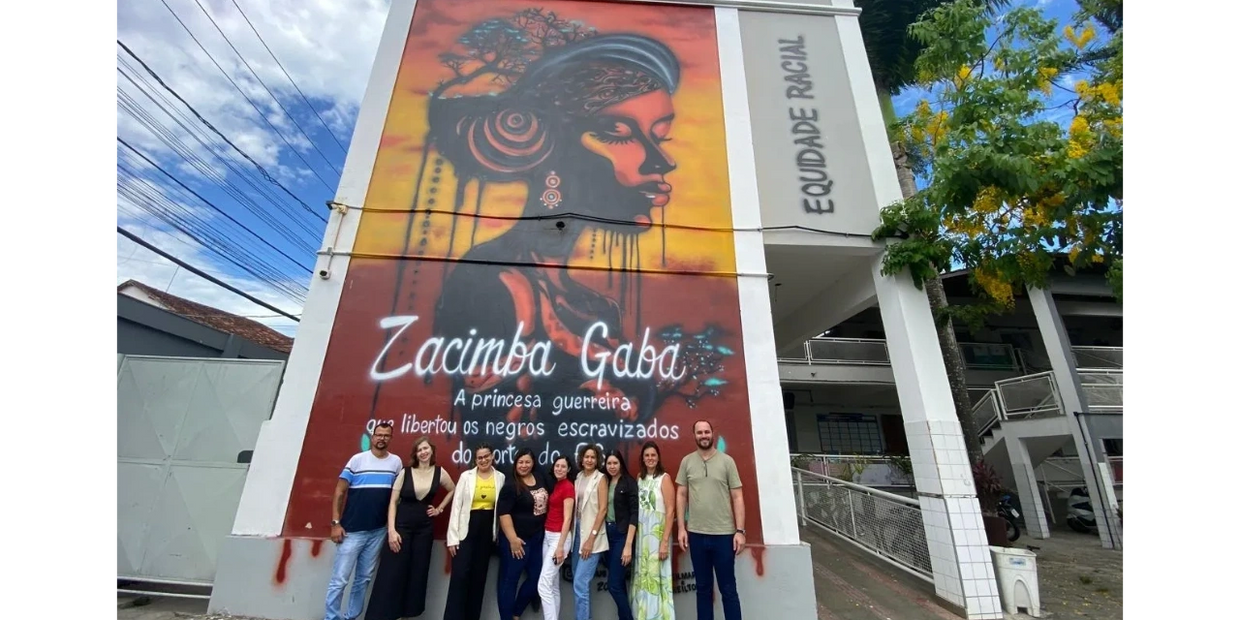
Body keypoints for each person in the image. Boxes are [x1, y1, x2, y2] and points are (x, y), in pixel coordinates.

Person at [366, 437, 456, 620]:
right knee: (392, 573)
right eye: (419, 450)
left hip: (424, 530)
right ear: (415, 454)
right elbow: (393, 502)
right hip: (401, 528)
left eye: (426, 448)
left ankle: (407, 615)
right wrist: (391, 531)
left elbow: (453, 489)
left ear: (431, 450)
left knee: (417, 572)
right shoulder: (405, 473)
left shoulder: (439, 472)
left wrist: (439, 509)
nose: (423, 452)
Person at [325, 422, 403, 620]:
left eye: (386, 435)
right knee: (340, 580)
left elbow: (396, 497)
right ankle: (331, 617)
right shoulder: (357, 460)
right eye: (379, 434)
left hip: (378, 531)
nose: (382, 438)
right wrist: (335, 523)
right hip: (351, 531)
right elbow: (339, 491)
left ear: (391, 438)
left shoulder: (395, 463)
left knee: (363, 579)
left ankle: (350, 617)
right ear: (372, 436)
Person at [676, 421, 745, 620]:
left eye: (706, 432)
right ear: (694, 435)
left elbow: (737, 497)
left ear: (712, 433)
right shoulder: (687, 462)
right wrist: (681, 528)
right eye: (699, 432)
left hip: (724, 535)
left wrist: (740, 531)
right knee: (703, 589)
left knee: (728, 589)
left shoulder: (727, 462)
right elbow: (681, 494)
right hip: (697, 535)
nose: (704, 435)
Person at [444, 444, 506, 620]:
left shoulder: (500, 477)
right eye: (480, 457)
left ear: (492, 457)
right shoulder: (466, 476)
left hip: (487, 531)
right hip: (466, 529)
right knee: (460, 576)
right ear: (475, 460)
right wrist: (452, 538)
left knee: (479, 577)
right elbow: (456, 507)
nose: (483, 460)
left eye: (486, 456)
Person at [497, 448, 551, 620]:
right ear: (515, 463)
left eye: (527, 462)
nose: (524, 465)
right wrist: (512, 539)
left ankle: (516, 613)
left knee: (537, 578)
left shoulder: (540, 478)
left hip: (536, 539)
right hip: (517, 541)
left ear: (533, 463)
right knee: (509, 581)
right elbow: (504, 513)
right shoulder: (511, 485)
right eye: (520, 462)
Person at [632, 441, 676, 620]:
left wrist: (664, 541)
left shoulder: (664, 478)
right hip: (642, 533)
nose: (650, 458)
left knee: (657, 576)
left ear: (658, 458)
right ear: (643, 458)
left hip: (657, 533)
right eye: (647, 455)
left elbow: (670, 510)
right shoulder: (639, 478)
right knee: (644, 575)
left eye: (653, 455)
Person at [572, 444, 609, 620]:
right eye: (586, 457)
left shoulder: (600, 479)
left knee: (580, 583)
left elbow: (603, 510)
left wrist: (591, 538)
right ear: (581, 459)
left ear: (597, 460)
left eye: (592, 457)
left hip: (592, 535)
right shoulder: (579, 477)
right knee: (577, 582)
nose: (589, 460)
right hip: (577, 533)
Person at [537, 455, 576, 620]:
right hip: (548, 536)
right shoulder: (557, 485)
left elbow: (568, 518)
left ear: (568, 469)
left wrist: (560, 547)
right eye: (557, 466)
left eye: (563, 466)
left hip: (559, 538)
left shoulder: (568, 487)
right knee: (552, 586)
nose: (559, 469)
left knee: (543, 585)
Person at [602, 450, 639, 620]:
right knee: (619, 583)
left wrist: (628, 545)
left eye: (615, 463)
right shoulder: (604, 481)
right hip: (606, 536)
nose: (612, 467)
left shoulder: (629, 483)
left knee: (613, 585)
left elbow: (634, 514)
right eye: (609, 463)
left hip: (621, 535)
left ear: (621, 464)